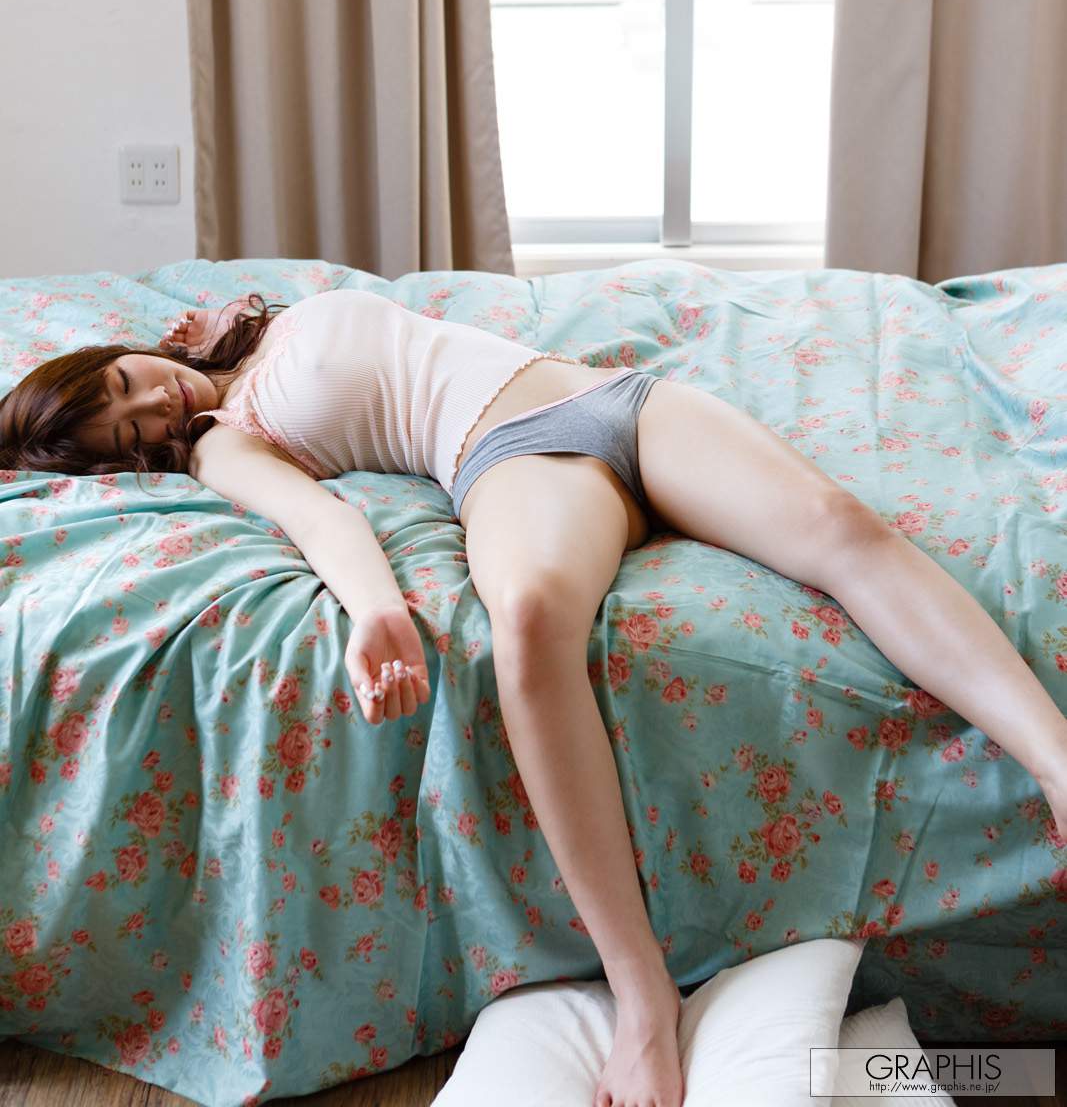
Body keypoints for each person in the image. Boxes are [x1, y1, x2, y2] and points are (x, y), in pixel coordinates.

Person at [2, 287, 1066, 1107]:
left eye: (126, 382)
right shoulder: (225, 441)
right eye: (132, 432)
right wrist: (375, 610)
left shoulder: (246, 325)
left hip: (615, 398)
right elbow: (322, 521)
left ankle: (1054, 759)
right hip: (511, 459)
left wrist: (218, 335)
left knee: (838, 528)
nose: (155, 403)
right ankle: (640, 993)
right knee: (525, 629)